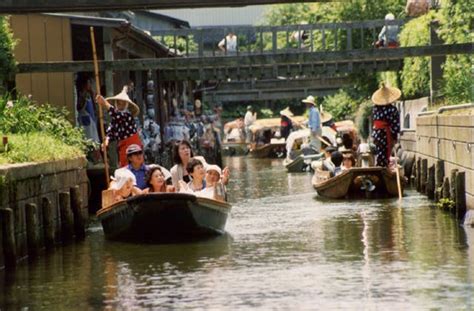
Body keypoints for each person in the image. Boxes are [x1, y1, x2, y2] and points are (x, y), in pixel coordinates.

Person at [96, 86, 141, 167]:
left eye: (123, 103)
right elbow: (111, 131)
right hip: (123, 147)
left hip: (133, 146)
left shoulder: (127, 115)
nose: (121, 105)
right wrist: (106, 140)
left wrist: (104, 103)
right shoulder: (115, 120)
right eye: (119, 103)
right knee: (124, 168)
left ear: (127, 105)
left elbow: (117, 115)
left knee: (134, 167)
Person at [371, 84, 401, 167]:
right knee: (384, 153)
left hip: (376, 133)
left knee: (379, 153)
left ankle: (379, 168)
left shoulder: (375, 108)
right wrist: (394, 137)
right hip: (384, 134)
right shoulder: (392, 109)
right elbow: (395, 126)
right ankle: (383, 169)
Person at [76, 77, 100, 143]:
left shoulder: (89, 94)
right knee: (89, 139)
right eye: (88, 83)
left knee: (94, 139)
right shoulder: (82, 95)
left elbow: (94, 106)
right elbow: (79, 108)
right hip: (86, 119)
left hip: (91, 118)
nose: (90, 85)